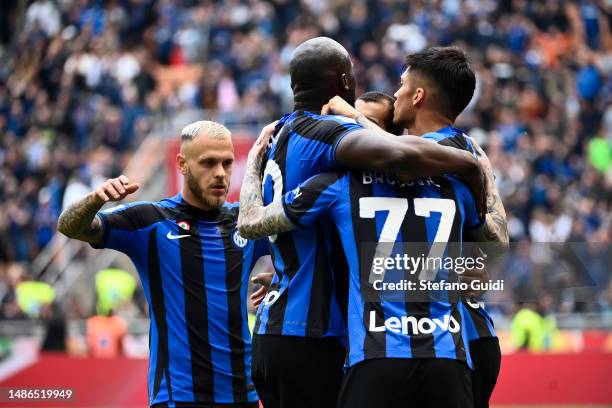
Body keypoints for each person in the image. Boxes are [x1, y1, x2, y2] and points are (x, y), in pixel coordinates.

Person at [244, 36, 487, 408]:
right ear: (343, 81)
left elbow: (255, 222)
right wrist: (471, 165)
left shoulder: (288, 137)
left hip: (292, 329)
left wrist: (284, 265)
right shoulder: (331, 143)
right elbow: (490, 236)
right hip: (322, 337)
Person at [322, 47, 508, 408]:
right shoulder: (470, 152)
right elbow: (494, 238)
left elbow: (402, 159)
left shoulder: (439, 154)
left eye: (401, 85)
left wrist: (350, 117)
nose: (395, 95)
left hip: (452, 339)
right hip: (461, 341)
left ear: (418, 95)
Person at [57, 120, 267, 408]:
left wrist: (283, 279)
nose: (220, 173)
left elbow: (304, 250)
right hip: (179, 397)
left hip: (243, 395)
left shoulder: (246, 221)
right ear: (182, 164)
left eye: (227, 163)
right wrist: (94, 200)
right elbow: (70, 227)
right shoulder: (151, 221)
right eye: (208, 163)